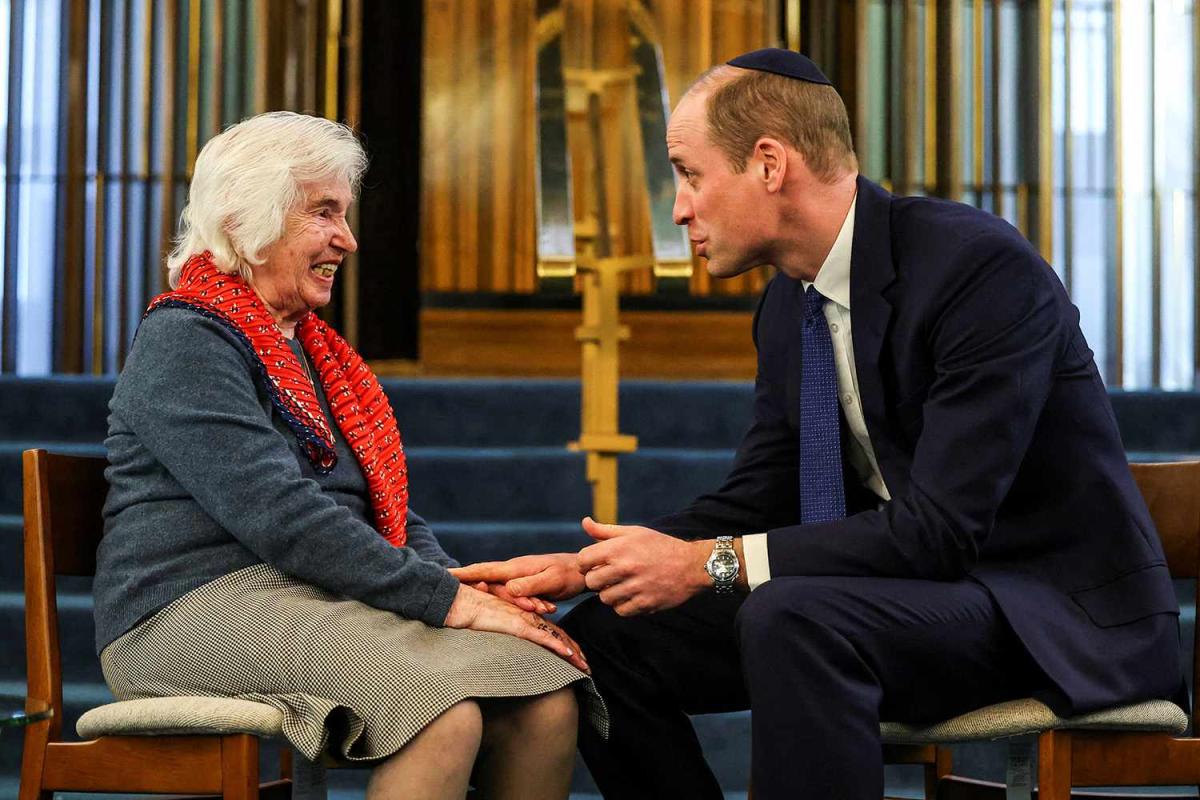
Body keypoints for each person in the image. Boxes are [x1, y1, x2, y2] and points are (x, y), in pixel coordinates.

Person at [450, 49, 1185, 798]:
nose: (678, 208)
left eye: (690, 173)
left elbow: (941, 530)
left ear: (769, 164)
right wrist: (589, 570)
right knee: (605, 640)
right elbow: (757, 499)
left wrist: (709, 564)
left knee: (793, 615)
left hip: (1045, 613)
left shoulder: (977, 268)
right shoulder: (787, 307)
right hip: (897, 602)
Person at [94, 111, 603, 800]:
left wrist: (462, 582)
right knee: (437, 712)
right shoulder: (185, 338)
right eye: (324, 212)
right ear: (249, 220)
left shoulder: (314, 354)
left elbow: (377, 508)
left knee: (541, 696)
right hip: (183, 609)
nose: (348, 238)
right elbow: (283, 517)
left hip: (304, 591)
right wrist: (443, 601)